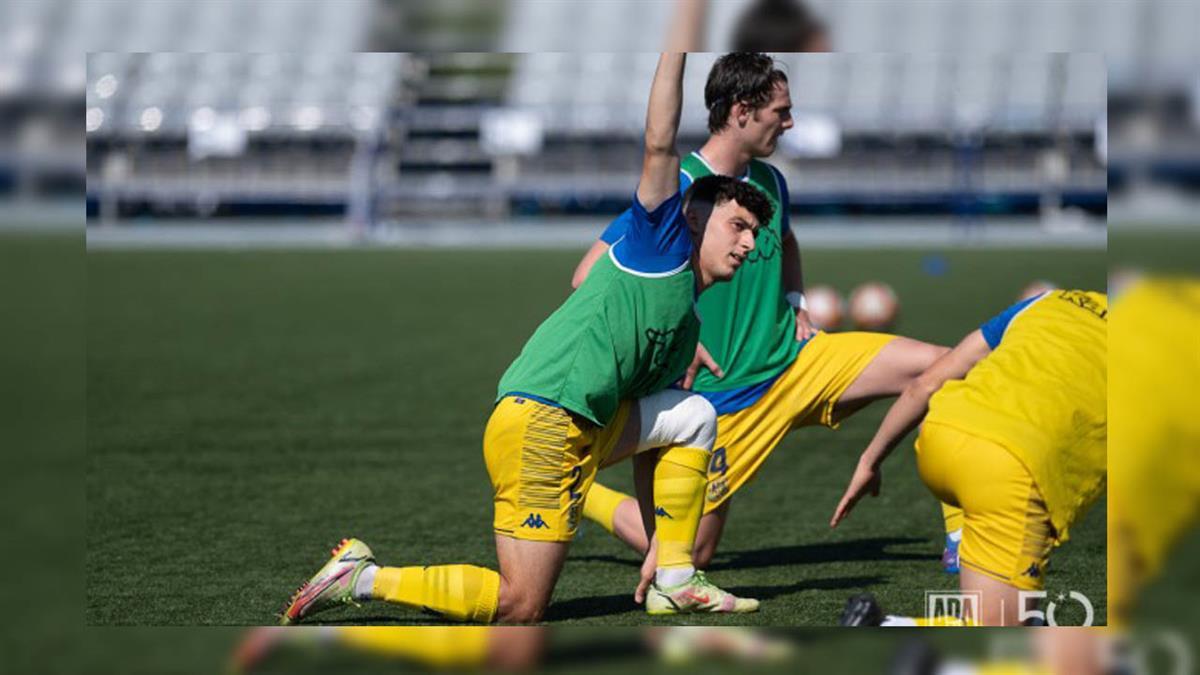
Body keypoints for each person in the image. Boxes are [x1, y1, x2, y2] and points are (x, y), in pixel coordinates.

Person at [279, 53, 774, 626]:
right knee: (521, 606)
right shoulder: (658, 249)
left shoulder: (689, 324)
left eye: (755, 233)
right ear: (692, 222)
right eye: (738, 226)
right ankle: (362, 578)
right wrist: (677, 46)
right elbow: (660, 143)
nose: (748, 244)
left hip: (588, 423)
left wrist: (664, 549)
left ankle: (677, 581)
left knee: (693, 414)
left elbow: (657, 452)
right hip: (547, 419)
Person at [576, 52, 948, 572]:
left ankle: (960, 534)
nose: (790, 122)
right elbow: (588, 275)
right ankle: (587, 493)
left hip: (796, 364)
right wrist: (675, 336)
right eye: (781, 111)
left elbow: (787, 241)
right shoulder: (680, 188)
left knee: (947, 367)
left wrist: (796, 301)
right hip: (718, 402)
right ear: (741, 111)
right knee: (689, 553)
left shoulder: (771, 182)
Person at [832, 290, 1108, 626]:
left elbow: (927, 383)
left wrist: (870, 460)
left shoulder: (1051, 299)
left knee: (1025, 618)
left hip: (941, 433)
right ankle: (880, 626)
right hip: (1009, 466)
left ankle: (961, 539)